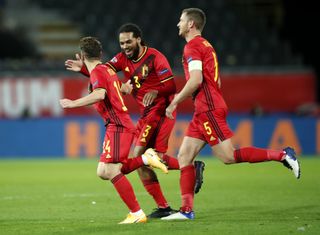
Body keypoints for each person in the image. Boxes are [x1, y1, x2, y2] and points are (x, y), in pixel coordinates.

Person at [162, 8, 301, 220]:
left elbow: (197, 79)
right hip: (204, 110)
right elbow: (216, 80)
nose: (178, 24)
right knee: (184, 156)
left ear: (191, 24)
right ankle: (186, 211)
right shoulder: (206, 46)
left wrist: (175, 102)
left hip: (208, 109)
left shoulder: (192, 47)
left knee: (228, 156)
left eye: (181, 20)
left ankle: (283, 155)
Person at [65, 23, 206, 218]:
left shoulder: (155, 57)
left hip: (160, 110)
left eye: (128, 41)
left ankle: (186, 168)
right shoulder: (122, 59)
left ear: (138, 39)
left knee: (141, 155)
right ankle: (166, 202)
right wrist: (84, 69)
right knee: (143, 161)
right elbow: (104, 72)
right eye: (122, 43)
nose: (124, 46)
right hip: (145, 113)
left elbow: (171, 85)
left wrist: (155, 90)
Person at [60, 36, 169, 224]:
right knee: (103, 171)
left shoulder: (98, 73)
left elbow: (100, 94)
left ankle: (136, 213)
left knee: (110, 170)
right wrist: (84, 69)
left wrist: (72, 103)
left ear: (83, 54)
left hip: (118, 126)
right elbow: (105, 84)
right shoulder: (105, 70)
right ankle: (145, 158)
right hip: (118, 125)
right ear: (100, 54)